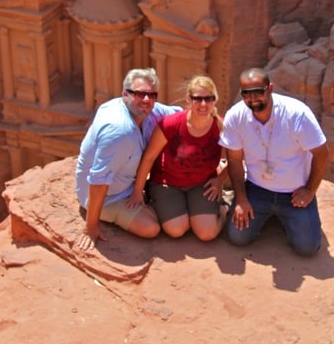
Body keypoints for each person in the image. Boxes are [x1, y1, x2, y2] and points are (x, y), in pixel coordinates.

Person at [219, 67, 329, 256]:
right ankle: (264, 212)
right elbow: (235, 159)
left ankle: (290, 216)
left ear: (270, 88)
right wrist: (242, 199)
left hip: (294, 192)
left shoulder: (297, 114)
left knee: (307, 248)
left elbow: (321, 153)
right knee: (238, 237)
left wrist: (309, 190)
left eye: (258, 91)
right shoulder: (236, 116)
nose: (253, 98)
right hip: (257, 188)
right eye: (246, 93)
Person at [75, 68, 181, 250]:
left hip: (127, 183)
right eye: (140, 94)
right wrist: (90, 227)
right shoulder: (119, 131)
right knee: (151, 228)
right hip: (109, 197)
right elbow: (99, 182)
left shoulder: (146, 111)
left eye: (151, 95)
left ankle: (149, 195)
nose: (146, 100)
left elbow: (180, 115)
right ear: (125, 94)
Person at [127, 75, 229, 241]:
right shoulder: (171, 124)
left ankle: (223, 210)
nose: (203, 104)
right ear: (188, 100)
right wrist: (137, 192)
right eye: (198, 99)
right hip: (167, 183)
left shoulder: (221, 126)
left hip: (201, 184)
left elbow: (238, 157)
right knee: (176, 230)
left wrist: (220, 180)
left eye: (208, 98)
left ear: (215, 100)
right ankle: (174, 207)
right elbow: (149, 158)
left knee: (207, 234)